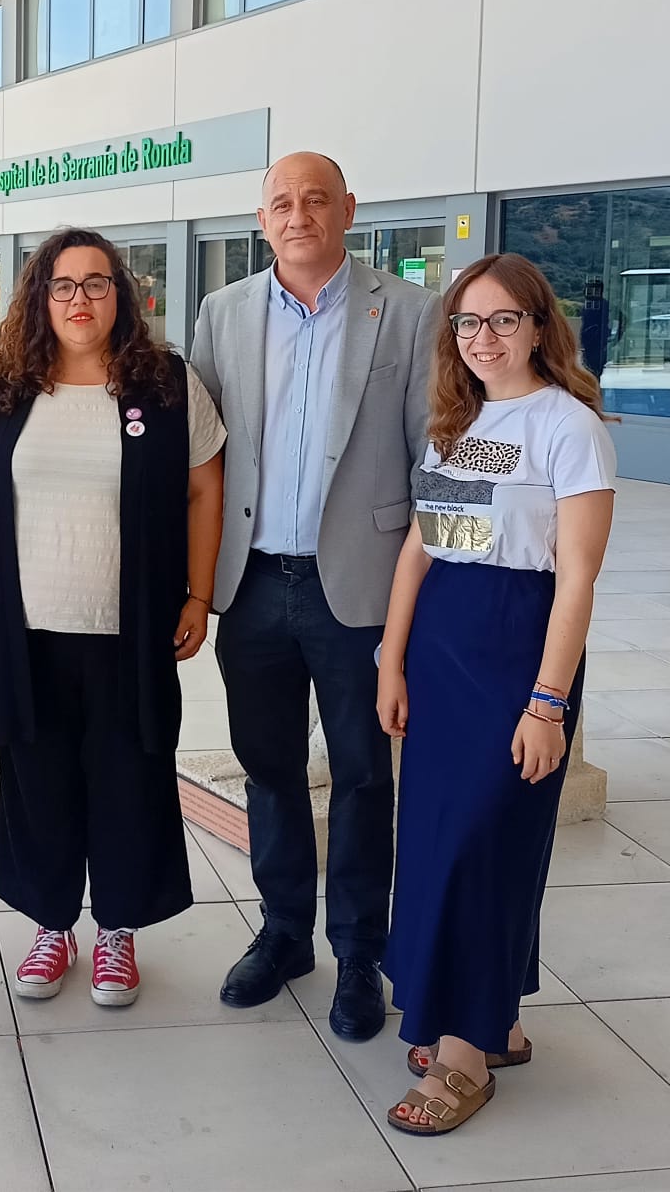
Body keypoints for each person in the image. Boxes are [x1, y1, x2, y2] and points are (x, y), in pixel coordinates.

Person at [190, 151, 438, 1042]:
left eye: (316, 199)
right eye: (281, 203)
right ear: (262, 221)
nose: (299, 214)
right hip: (252, 583)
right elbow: (202, 459)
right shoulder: (222, 314)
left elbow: (431, 458)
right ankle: (286, 932)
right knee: (268, 767)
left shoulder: (408, 312)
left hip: (360, 591)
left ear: (348, 211)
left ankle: (360, 954)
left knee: (367, 776)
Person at [377, 251, 616, 1136]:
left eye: (503, 320)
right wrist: (392, 663)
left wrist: (549, 703)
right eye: (468, 322)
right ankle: (486, 1016)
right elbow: (419, 549)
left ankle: (464, 1056)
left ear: (539, 327)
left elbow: (579, 579)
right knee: (439, 841)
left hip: (519, 652)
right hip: (440, 654)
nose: (484, 338)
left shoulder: (570, 427)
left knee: (488, 844)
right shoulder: (457, 421)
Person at [0, 229, 225, 1007]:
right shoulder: (5, 388)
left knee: (128, 776)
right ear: (40, 298)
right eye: (64, 285)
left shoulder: (165, 384)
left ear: (126, 295)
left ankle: (116, 932)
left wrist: (197, 594)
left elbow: (205, 487)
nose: (81, 299)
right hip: (28, 630)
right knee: (36, 778)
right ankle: (50, 924)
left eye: (97, 283)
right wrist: (3, 562)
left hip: (130, 630)